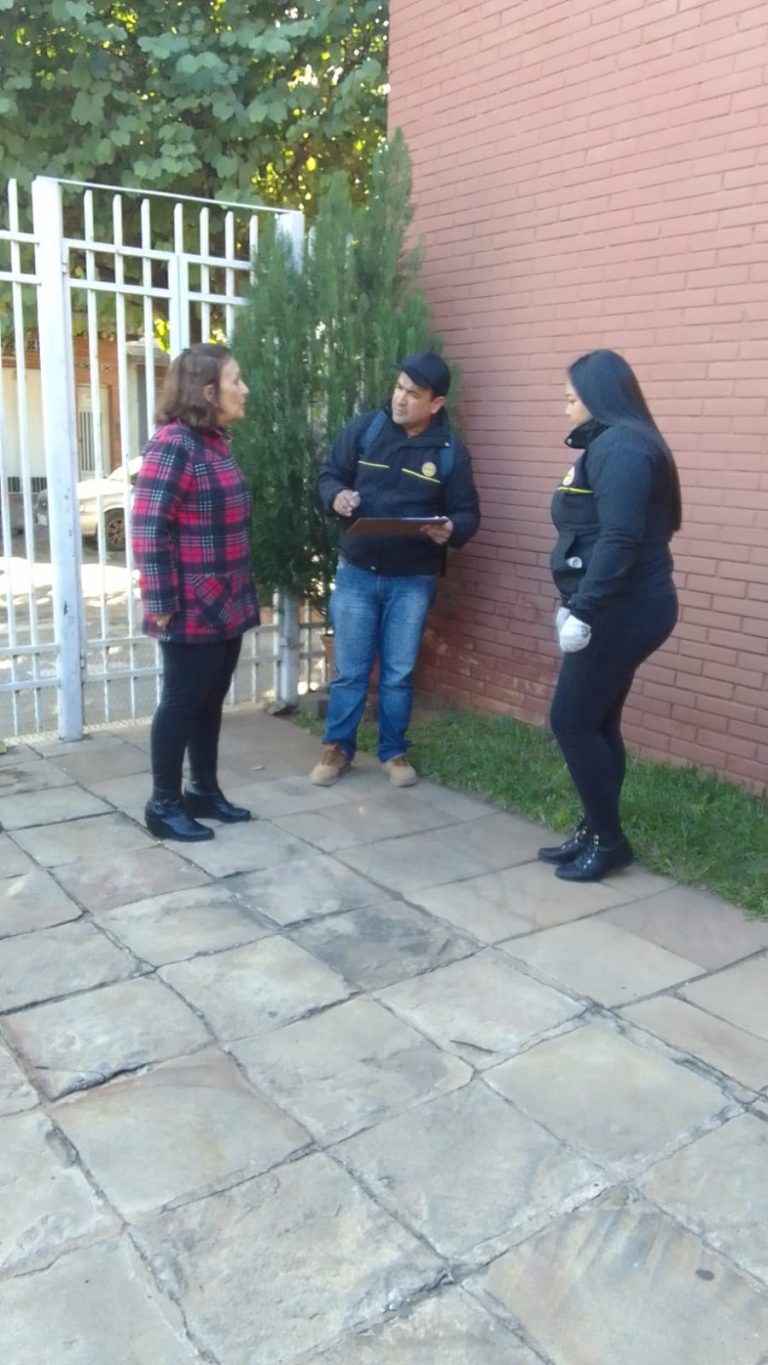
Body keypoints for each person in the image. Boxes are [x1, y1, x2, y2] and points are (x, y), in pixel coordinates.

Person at [540, 349, 682, 881]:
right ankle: (595, 828)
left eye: (571, 399)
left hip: (624, 608)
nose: (566, 409)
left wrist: (583, 609)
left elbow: (619, 539)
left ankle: (609, 841)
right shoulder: (617, 442)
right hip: (622, 604)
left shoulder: (621, 446)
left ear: (598, 397)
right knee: (597, 721)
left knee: (571, 720)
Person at [310, 352, 480, 787]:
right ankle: (338, 748)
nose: (400, 399)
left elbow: (467, 513)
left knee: (399, 673)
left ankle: (393, 751)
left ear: (436, 403)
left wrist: (451, 529)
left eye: (413, 393)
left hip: (413, 579)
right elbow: (329, 475)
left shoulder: (449, 452)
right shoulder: (364, 430)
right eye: (398, 387)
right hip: (356, 571)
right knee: (350, 670)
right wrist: (336, 497)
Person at [132, 343, 260, 842]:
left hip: (226, 598)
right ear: (208, 392)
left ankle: (202, 790)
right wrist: (161, 603)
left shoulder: (214, 441)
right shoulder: (174, 444)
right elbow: (148, 528)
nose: (244, 389)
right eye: (235, 381)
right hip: (189, 605)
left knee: (210, 699)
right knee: (182, 702)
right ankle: (163, 805)